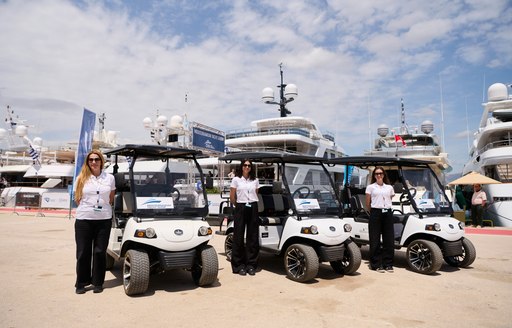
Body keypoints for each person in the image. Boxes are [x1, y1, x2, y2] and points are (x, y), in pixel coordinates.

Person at [73, 150, 116, 294]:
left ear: (101, 161)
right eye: (91, 160)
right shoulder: (81, 178)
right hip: (84, 219)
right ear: (87, 162)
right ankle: (81, 282)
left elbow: (111, 197)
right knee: (83, 252)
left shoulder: (109, 178)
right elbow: (77, 198)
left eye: (96, 159)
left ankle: (98, 282)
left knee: (99, 252)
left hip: (104, 219)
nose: (94, 162)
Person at [230, 159, 260, 276]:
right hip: (241, 207)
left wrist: (250, 203)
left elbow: (255, 194)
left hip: (252, 206)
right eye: (245, 165)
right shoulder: (236, 180)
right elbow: (232, 196)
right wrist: (238, 206)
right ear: (241, 167)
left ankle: (251, 265)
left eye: (249, 165)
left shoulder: (255, 180)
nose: (247, 167)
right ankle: (239, 265)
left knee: (252, 236)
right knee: (238, 236)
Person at [365, 167, 395, 273]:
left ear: (384, 175)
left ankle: (388, 264)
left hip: (387, 213)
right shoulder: (370, 187)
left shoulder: (389, 187)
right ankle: (376, 264)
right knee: (375, 239)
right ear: (374, 175)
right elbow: (368, 203)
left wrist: (384, 207)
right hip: (375, 213)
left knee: (389, 239)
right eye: (377, 173)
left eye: (381, 173)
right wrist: (373, 211)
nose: (379, 175)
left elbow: (390, 199)